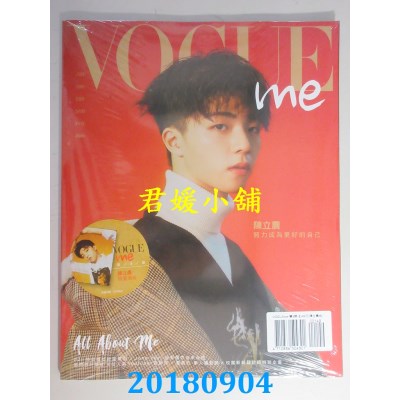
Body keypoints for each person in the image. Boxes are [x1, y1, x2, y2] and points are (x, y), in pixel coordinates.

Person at [61, 51, 323, 379]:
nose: (244, 144)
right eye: (220, 126)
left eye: (253, 128)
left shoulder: (235, 255)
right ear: (174, 141)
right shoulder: (110, 256)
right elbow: (86, 382)